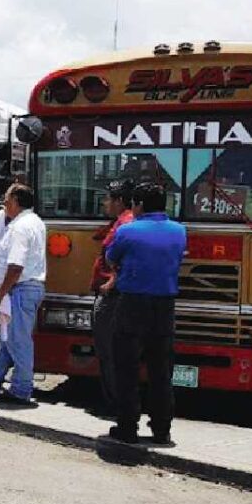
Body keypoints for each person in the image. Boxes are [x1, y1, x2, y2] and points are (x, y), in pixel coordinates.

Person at [105, 182, 186, 445]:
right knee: (161, 370)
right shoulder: (179, 231)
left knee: (126, 367)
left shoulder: (128, 230)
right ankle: (162, 429)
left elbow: (111, 257)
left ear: (138, 205)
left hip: (132, 303)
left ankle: (127, 426)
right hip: (165, 306)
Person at [0, 184, 46, 403]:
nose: (4, 204)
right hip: (25, 287)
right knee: (7, 338)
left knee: (18, 341)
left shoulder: (20, 227)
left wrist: (2, 291)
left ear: (16, 200)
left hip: (19, 288)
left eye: (7, 199)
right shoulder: (34, 221)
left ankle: (21, 389)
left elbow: (16, 266)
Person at [90, 180, 135, 416]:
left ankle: (116, 404)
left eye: (108, 199)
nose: (105, 203)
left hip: (113, 297)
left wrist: (112, 282)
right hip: (113, 294)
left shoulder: (125, 224)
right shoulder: (121, 222)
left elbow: (126, 259)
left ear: (119, 201)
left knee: (109, 352)